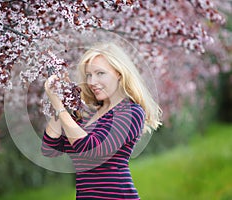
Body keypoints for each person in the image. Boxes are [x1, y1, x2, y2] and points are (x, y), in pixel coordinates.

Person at [41, 42, 162, 199]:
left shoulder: (131, 112)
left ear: (119, 73)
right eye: (89, 75)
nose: (91, 82)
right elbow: (51, 148)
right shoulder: (89, 115)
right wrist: (60, 100)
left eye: (100, 73)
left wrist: (59, 106)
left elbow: (89, 149)